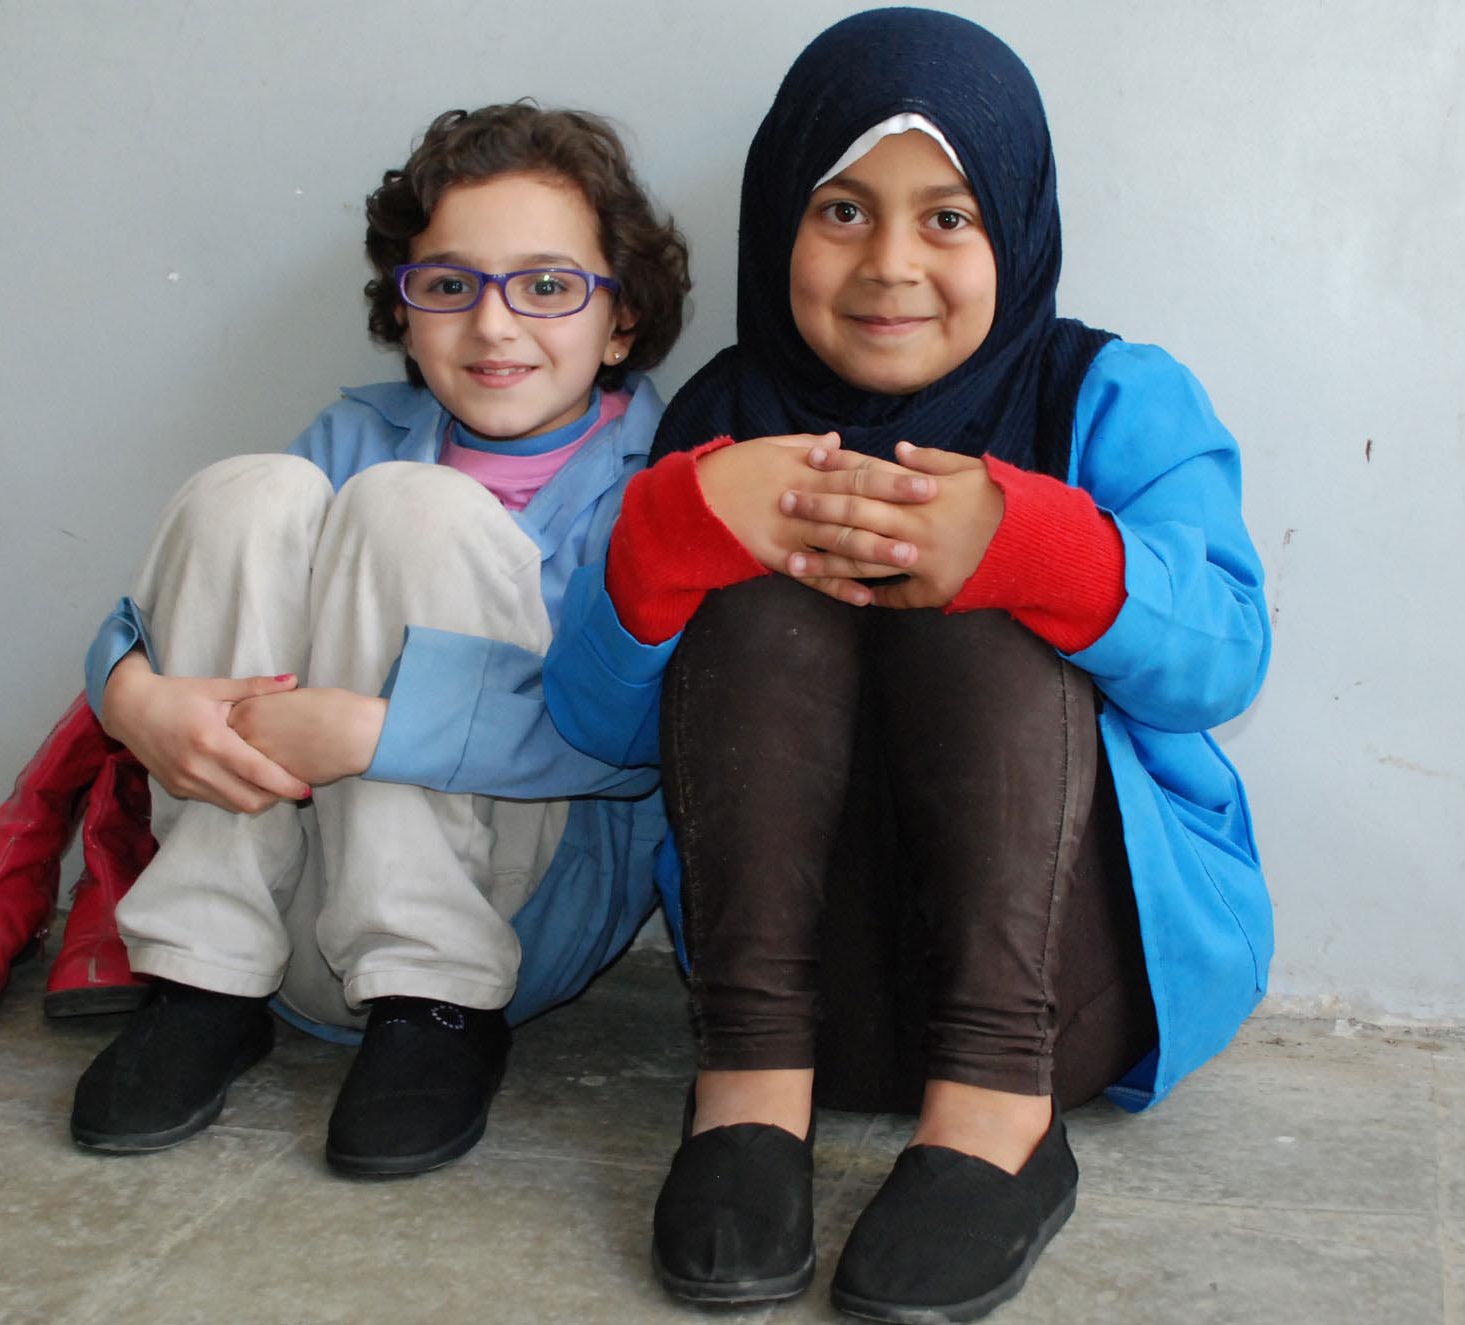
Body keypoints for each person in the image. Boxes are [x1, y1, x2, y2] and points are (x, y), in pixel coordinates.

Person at [542, 10, 1272, 1322]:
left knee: (981, 584)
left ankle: (996, 1130)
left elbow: (1223, 658)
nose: (891, 263)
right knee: (756, 601)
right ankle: (746, 1101)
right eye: (841, 210)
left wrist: (1042, 549)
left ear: (1016, 221)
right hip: (803, 1001)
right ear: (782, 218)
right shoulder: (717, 417)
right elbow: (599, 724)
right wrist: (665, 543)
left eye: (948, 216)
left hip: (1053, 996)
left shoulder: (1107, 394)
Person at [65, 102, 692, 1178]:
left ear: (620, 319)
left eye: (546, 285)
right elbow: (162, 613)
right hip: (292, 922)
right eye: (449, 285)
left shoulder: (660, 479)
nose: (493, 326)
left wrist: (379, 728)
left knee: (417, 505)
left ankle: (432, 1013)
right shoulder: (354, 428)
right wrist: (133, 701)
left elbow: (643, 737)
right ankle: (201, 984)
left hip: (500, 930)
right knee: (246, 490)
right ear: (405, 311)